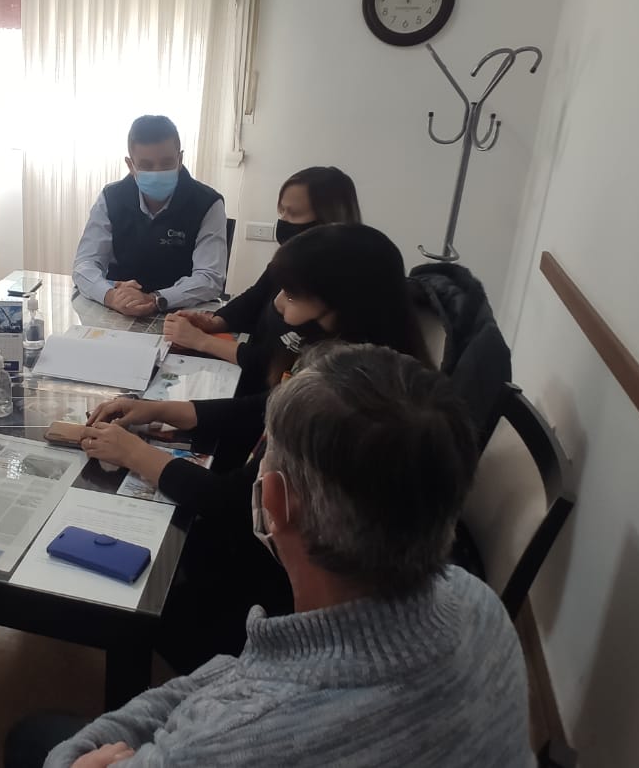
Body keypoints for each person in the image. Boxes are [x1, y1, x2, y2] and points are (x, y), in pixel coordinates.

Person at [5, 344, 532, 768]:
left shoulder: (224, 744)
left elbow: (226, 721)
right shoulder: (477, 603)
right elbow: (243, 676)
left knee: (33, 738)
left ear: (273, 501)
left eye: (262, 457)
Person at [80, 223, 431, 671]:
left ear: (340, 302)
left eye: (291, 293)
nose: (279, 304)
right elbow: (261, 407)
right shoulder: (367, 364)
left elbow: (230, 499)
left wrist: (133, 453)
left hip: (277, 594)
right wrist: (161, 410)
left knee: (155, 585)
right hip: (300, 561)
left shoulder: (349, 404)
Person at [163, 166, 360, 395]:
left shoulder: (334, 285)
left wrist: (202, 341)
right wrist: (215, 322)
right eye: (281, 212)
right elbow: (255, 296)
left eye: (294, 214)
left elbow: (277, 360)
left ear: (327, 220)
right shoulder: (292, 259)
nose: (284, 222)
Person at [72, 115, 227, 317]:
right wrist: (110, 296)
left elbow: (210, 277)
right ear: (130, 165)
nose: (157, 172)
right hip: (118, 310)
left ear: (180, 159)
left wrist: (156, 298)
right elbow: (85, 265)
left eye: (166, 163)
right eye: (146, 165)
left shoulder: (208, 203)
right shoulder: (111, 197)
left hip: (180, 313)